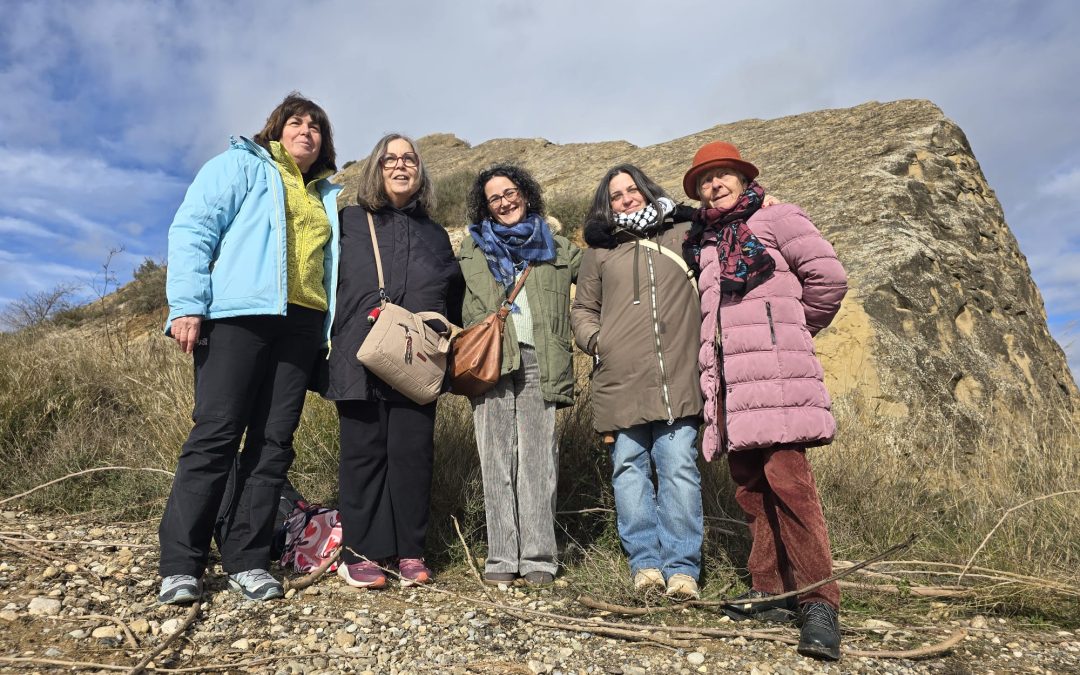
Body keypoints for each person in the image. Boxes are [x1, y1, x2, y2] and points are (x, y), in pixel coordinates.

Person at [159, 93, 341, 604]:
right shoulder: (240, 165)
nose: (306, 131)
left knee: (273, 444)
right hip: (239, 317)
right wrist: (187, 305)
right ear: (276, 129)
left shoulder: (324, 193)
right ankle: (180, 564)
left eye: (316, 127)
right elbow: (194, 228)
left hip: (301, 326)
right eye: (296, 123)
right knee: (215, 435)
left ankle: (247, 559)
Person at [682, 141, 848, 661]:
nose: (715, 184)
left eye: (723, 175)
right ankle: (769, 590)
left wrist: (794, 333)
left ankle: (818, 601)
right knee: (751, 491)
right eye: (705, 180)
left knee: (791, 487)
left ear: (742, 177)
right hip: (733, 385)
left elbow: (829, 279)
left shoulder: (780, 218)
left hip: (775, 379)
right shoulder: (704, 243)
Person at [324, 133, 464, 589]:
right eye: (390, 160)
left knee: (411, 454)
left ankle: (409, 551)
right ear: (375, 169)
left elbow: (453, 293)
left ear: (419, 171)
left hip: (417, 357)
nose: (400, 166)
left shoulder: (435, 234)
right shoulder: (349, 221)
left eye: (409, 159)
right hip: (358, 352)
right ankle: (362, 551)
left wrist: (444, 331)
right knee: (363, 454)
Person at [571, 165, 706, 599]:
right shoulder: (599, 251)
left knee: (679, 466)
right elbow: (583, 310)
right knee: (629, 469)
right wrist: (600, 342)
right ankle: (645, 565)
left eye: (633, 190)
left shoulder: (685, 231)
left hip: (678, 374)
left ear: (647, 191)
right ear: (606, 205)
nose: (627, 198)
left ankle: (683, 568)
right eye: (616, 195)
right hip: (619, 377)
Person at [458, 164, 581, 587]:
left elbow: (602, 268)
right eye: (495, 198)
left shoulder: (559, 247)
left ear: (526, 194)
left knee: (537, 458)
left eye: (511, 192)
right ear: (485, 206)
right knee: (495, 457)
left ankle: (539, 557)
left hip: (540, 359)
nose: (505, 202)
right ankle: (501, 555)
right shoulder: (470, 248)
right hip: (491, 360)